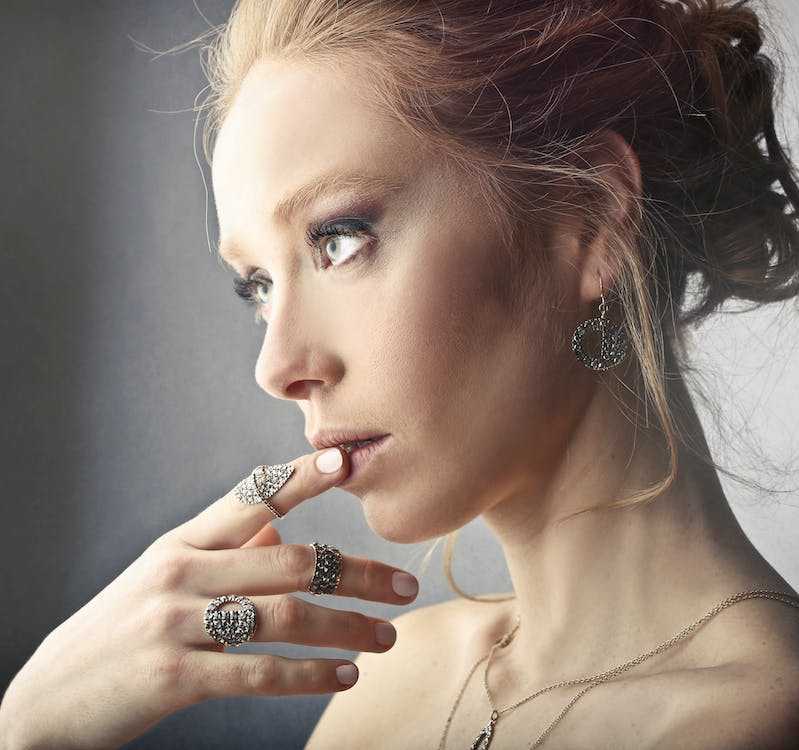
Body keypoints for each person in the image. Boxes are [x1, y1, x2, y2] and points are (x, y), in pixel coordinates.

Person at [2, 0, 799, 747]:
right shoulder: (388, 684)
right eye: (258, 286)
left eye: (339, 239)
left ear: (587, 218)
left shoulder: (753, 721)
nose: (277, 367)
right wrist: (32, 729)